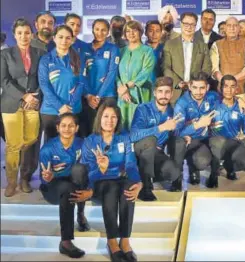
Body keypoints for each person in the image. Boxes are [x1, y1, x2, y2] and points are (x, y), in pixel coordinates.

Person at [81, 100, 142, 262]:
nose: (109, 120)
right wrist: (102, 169)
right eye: (106, 116)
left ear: (118, 120)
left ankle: (125, 240)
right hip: (99, 184)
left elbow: (130, 165)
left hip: (120, 180)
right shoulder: (90, 141)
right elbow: (87, 174)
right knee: (111, 187)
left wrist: (139, 183)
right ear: (99, 118)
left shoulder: (124, 138)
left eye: (113, 117)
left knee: (129, 186)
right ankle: (112, 241)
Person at [1, 18, 46, 196]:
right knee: (13, 145)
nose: (23, 36)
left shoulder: (40, 53)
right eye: (19, 33)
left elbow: (44, 79)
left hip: (33, 104)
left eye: (27, 32)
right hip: (11, 104)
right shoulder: (5, 54)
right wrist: (23, 95)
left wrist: (35, 96)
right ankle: (12, 182)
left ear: (32, 34)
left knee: (30, 140)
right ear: (14, 35)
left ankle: (25, 177)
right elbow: (4, 81)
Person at [39, 113, 91, 258]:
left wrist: (61, 171)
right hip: (53, 189)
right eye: (63, 125)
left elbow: (88, 169)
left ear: (76, 128)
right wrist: (50, 176)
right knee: (68, 186)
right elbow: (44, 180)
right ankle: (66, 242)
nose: (67, 129)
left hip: (75, 182)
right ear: (57, 128)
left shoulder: (83, 144)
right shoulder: (47, 149)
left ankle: (80, 214)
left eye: (71, 126)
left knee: (79, 170)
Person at [130, 77, 181, 201]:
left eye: (167, 92)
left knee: (172, 172)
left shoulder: (174, 111)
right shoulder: (143, 109)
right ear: (154, 92)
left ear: (172, 94)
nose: (163, 95)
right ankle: (146, 188)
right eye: (160, 91)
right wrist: (160, 128)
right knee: (150, 140)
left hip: (157, 152)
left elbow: (177, 135)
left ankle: (147, 174)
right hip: (139, 149)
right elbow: (133, 135)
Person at [170, 72, 218, 189]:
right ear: (190, 87)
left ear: (207, 87)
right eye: (195, 88)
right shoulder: (182, 104)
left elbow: (228, 97)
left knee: (203, 160)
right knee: (178, 143)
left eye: (202, 88)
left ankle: (209, 174)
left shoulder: (212, 97)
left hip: (203, 140)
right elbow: (176, 132)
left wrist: (239, 100)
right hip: (187, 141)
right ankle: (177, 178)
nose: (198, 92)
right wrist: (197, 125)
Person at [38, 25, 86, 142]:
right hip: (51, 111)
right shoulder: (46, 59)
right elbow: (44, 85)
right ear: (54, 38)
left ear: (72, 39)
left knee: (72, 145)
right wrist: (59, 106)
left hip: (73, 109)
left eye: (68, 38)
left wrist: (70, 106)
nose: (64, 41)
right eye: (60, 37)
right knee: (51, 147)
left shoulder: (79, 58)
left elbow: (81, 83)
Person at [207, 75, 245, 188]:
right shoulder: (213, 101)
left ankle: (229, 164)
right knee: (219, 143)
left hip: (233, 142)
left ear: (237, 89)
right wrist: (240, 98)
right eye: (226, 86)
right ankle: (213, 175)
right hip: (215, 141)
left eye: (232, 87)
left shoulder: (242, 108)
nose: (229, 90)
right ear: (220, 87)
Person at [163, 12, 212, 104]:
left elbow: (207, 69)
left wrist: (193, 83)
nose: (189, 27)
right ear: (181, 24)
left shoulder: (203, 46)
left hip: (196, 92)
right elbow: (166, 67)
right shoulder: (170, 44)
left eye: (192, 24)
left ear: (196, 26)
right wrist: (178, 83)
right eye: (186, 24)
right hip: (176, 90)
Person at [82, 19, 120, 137]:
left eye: (103, 30)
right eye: (97, 29)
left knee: (106, 133)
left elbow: (112, 73)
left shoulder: (113, 49)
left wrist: (98, 96)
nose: (100, 32)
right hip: (88, 98)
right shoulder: (84, 48)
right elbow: (81, 74)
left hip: (107, 96)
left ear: (108, 32)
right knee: (88, 132)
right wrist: (88, 95)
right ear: (92, 30)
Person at [117, 20, 155, 131]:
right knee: (123, 126)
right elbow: (115, 73)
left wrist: (127, 86)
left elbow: (146, 72)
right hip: (123, 96)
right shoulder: (121, 51)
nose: (131, 33)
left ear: (140, 32)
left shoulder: (148, 51)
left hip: (141, 94)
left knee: (140, 125)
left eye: (134, 30)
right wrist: (121, 88)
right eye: (128, 31)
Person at [211, 17, 245, 102]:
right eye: (229, 25)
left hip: (242, 91)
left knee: (244, 114)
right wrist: (225, 83)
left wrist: (231, 82)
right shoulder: (216, 44)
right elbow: (214, 68)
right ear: (225, 28)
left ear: (239, 28)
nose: (232, 28)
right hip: (222, 91)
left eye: (235, 25)